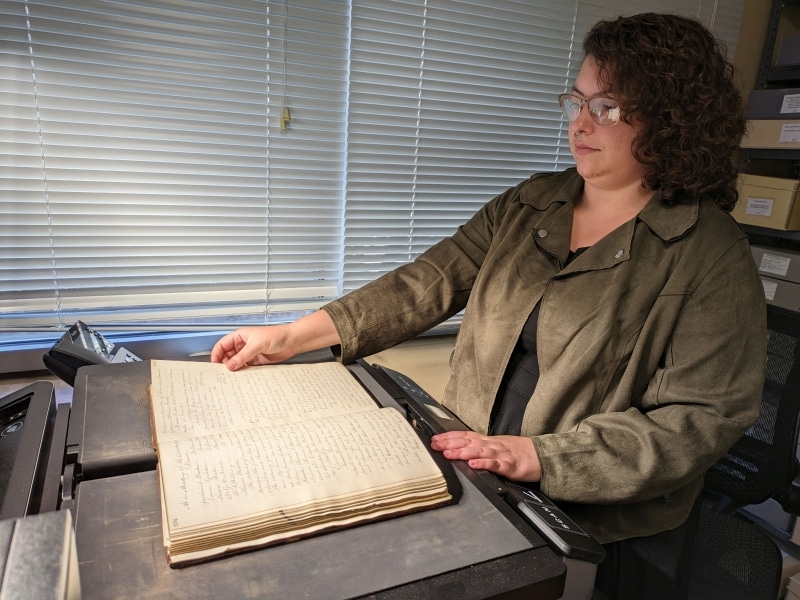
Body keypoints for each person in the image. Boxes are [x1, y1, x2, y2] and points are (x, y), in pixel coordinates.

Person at [211, 13, 766, 600]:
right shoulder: (530, 203)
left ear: (671, 120)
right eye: (575, 101)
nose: (580, 123)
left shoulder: (708, 253)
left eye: (606, 108)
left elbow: (700, 419)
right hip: (474, 467)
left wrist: (539, 457)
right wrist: (293, 335)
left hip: (592, 522)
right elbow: (426, 282)